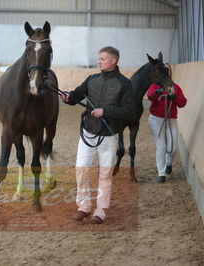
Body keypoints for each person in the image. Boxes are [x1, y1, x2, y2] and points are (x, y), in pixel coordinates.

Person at [60, 46, 135, 224]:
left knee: (105, 174)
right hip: (88, 132)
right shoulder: (92, 80)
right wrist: (68, 97)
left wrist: (105, 111)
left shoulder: (124, 84)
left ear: (113, 61)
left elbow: (130, 110)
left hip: (108, 137)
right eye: (99, 58)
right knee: (81, 169)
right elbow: (76, 95)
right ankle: (84, 207)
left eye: (102, 58)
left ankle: (100, 211)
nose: (99, 61)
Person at [147, 81, 187, 183]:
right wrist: (157, 92)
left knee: (172, 148)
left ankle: (168, 162)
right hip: (156, 120)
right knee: (161, 146)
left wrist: (175, 97)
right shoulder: (154, 85)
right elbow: (150, 96)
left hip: (171, 120)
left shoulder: (176, 87)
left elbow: (182, 103)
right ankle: (161, 174)